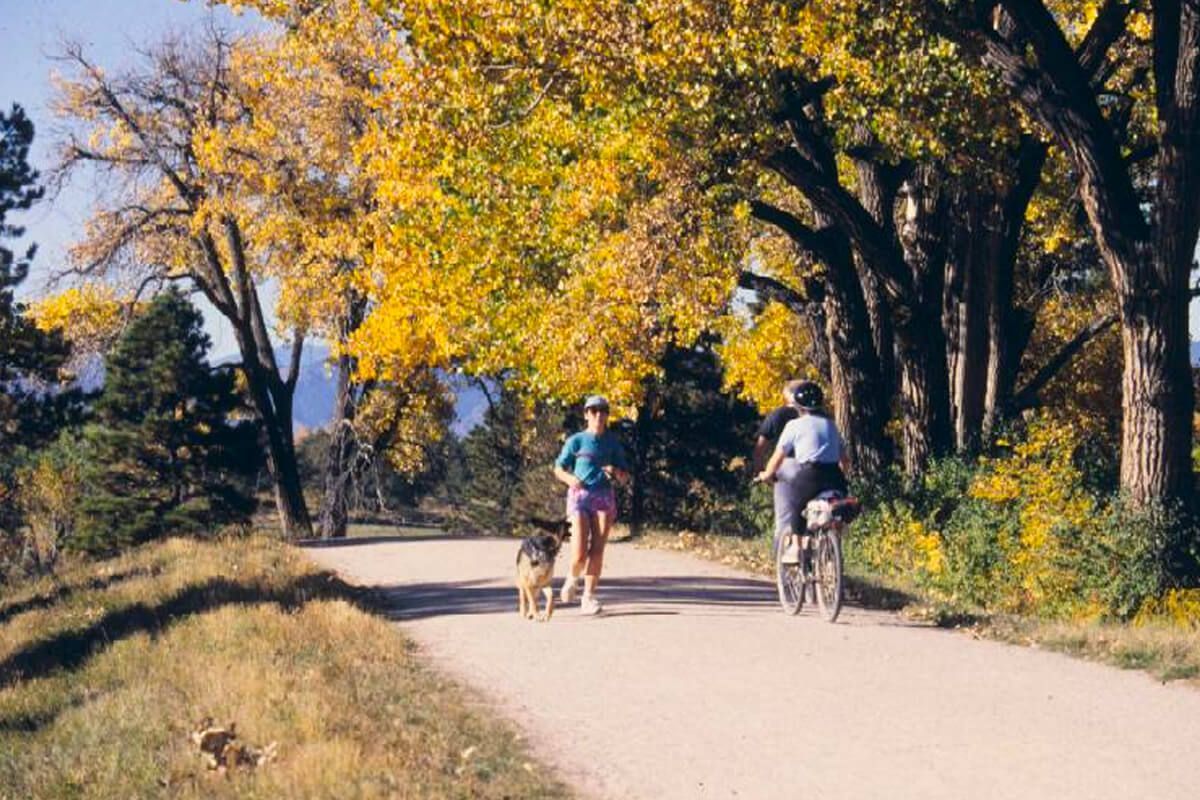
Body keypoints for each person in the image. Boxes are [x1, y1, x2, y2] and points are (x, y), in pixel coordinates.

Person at [553, 395, 630, 615]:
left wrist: (614, 471)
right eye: (593, 411)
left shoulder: (613, 443)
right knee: (578, 553)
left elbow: (625, 478)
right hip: (579, 497)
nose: (598, 415)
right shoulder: (576, 441)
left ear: (607, 415)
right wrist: (570, 479)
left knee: (597, 550)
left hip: (604, 497)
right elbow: (558, 468)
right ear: (586, 415)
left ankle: (588, 598)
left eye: (603, 411)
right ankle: (572, 577)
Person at [755, 381, 848, 559]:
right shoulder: (831, 425)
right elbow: (845, 460)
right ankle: (832, 552)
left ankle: (797, 548)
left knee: (796, 506)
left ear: (798, 406)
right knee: (836, 509)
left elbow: (777, 457)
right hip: (834, 476)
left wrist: (766, 474)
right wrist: (843, 476)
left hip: (809, 475)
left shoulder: (794, 425)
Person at [751, 379, 804, 473]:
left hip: (785, 470)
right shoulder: (819, 418)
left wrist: (761, 473)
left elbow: (760, 448)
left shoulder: (777, 415)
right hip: (814, 472)